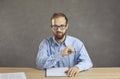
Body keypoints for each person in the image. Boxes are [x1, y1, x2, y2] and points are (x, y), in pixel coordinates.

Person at [36, 13, 93, 77]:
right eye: (55, 26)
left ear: (66, 26)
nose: (58, 30)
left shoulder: (77, 43)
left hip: (71, 77)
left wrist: (77, 67)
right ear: (51, 27)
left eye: (62, 26)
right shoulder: (45, 44)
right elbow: (39, 64)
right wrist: (60, 54)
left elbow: (88, 62)